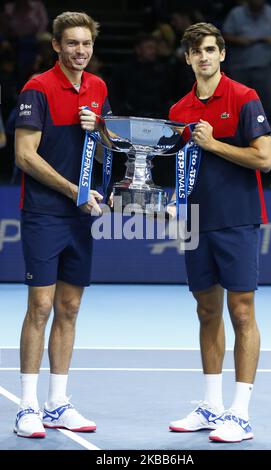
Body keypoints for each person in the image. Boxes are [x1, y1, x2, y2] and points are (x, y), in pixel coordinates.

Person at [168, 22, 271, 443]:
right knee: (206, 311)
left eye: (211, 49)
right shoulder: (178, 110)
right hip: (195, 221)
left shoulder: (245, 98)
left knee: (242, 312)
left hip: (237, 219)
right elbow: (177, 167)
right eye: (197, 51)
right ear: (189, 59)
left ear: (222, 54)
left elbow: (264, 159)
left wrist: (214, 145)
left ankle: (240, 412)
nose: (205, 56)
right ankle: (211, 405)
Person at [14, 11, 111, 438]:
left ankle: (58, 401)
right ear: (56, 45)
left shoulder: (98, 88)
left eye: (86, 44)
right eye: (72, 43)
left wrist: (101, 130)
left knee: (70, 308)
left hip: (80, 215)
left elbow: (110, 149)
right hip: (44, 213)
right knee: (40, 307)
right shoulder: (37, 89)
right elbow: (24, 155)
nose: (80, 51)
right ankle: (28, 406)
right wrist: (73, 189)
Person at [222, 0, 271, 116]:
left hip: (264, 68)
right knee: (238, 106)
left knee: (267, 106)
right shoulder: (236, 13)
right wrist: (238, 40)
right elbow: (224, 36)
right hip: (239, 69)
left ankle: (268, 131)